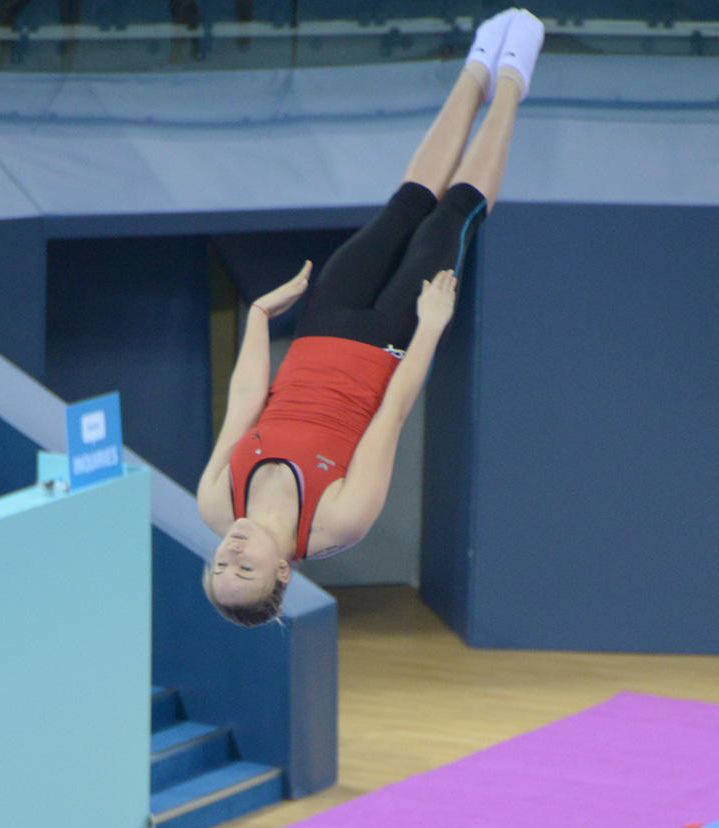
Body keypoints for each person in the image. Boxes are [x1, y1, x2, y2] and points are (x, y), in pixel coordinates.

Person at [197, 8, 545, 625]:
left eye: (220, 566)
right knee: (452, 214)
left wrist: (255, 317)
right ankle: (514, 80)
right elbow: (394, 410)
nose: (231, 553)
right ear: (283, 570)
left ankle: (475, 70)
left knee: (406, 204)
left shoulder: (215, 502)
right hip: (390, 338)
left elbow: (246, 398)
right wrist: (431, 327)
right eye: (244, 569)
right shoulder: (338, 520)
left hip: (321, 323)